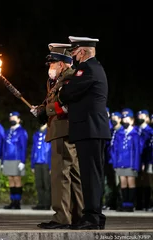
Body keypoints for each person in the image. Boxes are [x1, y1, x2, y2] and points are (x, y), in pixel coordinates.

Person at [57, 36, 111, 230]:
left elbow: (67, 93)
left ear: (82, 51)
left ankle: (93, 216)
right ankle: (92, 215)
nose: (73, 55)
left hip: (90, 128)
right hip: (90, 128)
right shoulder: (93, 68)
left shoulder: (88, 69)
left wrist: (64, 89)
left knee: (91, 175)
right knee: (90, 174)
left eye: (74, 51)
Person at [32, 43, 83, 229]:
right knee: (72, 174)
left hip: (64, 129)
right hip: (61, 129)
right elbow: (52, 102)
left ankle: (62, 217)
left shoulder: (69, 78)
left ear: (62, 63)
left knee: (62, 174)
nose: (50, 66)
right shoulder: (57, 80)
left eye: (53, 62)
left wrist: (45, 111)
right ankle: (77, 214)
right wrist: (41, 110)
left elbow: (65, 105)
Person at [112, 109, 140, 212]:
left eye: (127, 119)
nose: (125, 122)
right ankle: (124, 203)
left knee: (131, 182)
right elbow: (115, 149)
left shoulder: (135, 134)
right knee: (123, 182)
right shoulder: (120, 133)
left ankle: (131, 203)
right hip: (121, 162)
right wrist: (115, 163)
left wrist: (136, 165)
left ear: (132, 121)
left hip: (131, 162)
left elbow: (137, 150)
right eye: (124, 120)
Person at [1, 111, 28, 210]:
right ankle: (12, 201)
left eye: (15, 117)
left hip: (17, 159)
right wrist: (3, 161)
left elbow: (24, 147)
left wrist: (23, 161)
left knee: (17, 179)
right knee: (10, 180)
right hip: (8, 158)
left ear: (19, 119)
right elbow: (4, 146)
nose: (12, 119)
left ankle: (17, 202)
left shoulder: (22, 131)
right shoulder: (7, 131)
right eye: (11, 117)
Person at [103, 112, 123, 210]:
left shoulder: (121, 131)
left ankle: (119, 203)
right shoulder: (111, 130)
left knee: (118, 182)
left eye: (116, 117)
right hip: (109, 160)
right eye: (113, 117)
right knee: (110, 182)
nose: (113, 119)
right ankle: (110, 202)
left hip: (117, 161)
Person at [30, 123, 51, 210]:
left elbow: (52, 149)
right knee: (39, 184)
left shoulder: (50, 132)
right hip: (37, 162)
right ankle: (41, 203)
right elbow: (33, 149)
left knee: (47, 185)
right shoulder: (36, 134)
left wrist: (51, 165)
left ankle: (47, 203)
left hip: (46, 162)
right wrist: (32, 164)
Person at [134, 110, 152, 210]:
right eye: (139, 115)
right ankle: (139, 203)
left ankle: (147, 203)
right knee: (138, 181)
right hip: (137, 158)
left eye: (142, 115)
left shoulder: (149, 131)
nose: (140, 117)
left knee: (146, 181)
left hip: (146, 159)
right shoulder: (136, 129)